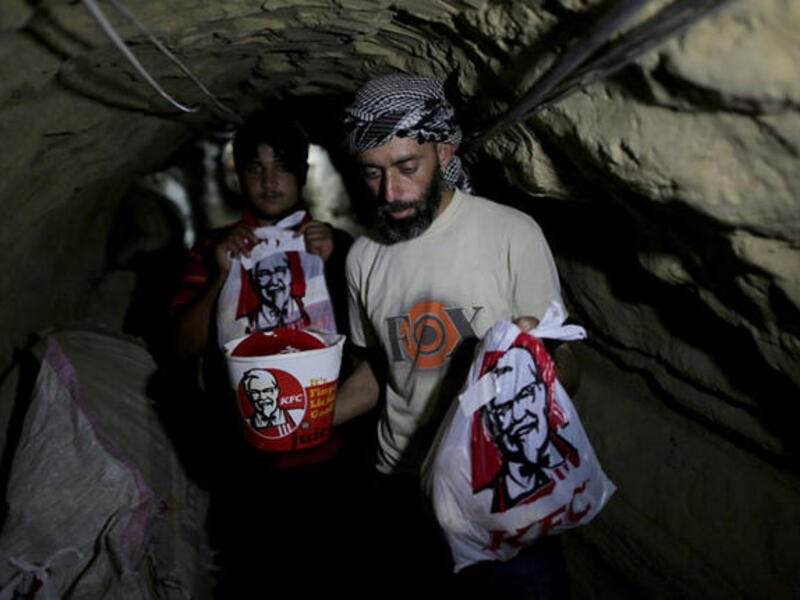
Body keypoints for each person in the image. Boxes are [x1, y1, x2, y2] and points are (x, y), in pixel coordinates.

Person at [333, 74, 578, 597]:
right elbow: (378, 371)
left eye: (406, 168)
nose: (390, 192)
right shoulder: (362, 257)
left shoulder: (511, 233)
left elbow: (570, 369)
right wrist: (309, 418)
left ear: (443, 151)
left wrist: (535, 360)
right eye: (372, 174)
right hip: (402, 486)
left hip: (501, 487)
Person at [168, 111, 364, 597]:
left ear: (301, 173)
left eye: (282, 167)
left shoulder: (338, 248)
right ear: (239, 174)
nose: (269, 181)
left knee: (327, 572)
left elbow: (376, 345)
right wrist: (220, 275)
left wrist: (340, 259)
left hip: (327, 453)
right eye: (256, 168)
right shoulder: (212, 249)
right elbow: (183, 345)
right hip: (242, 457)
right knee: (254, 575)